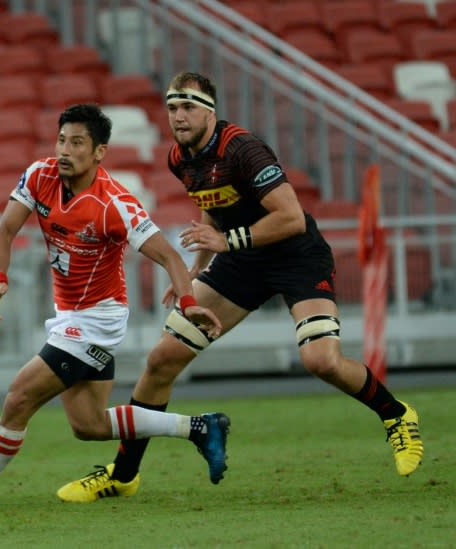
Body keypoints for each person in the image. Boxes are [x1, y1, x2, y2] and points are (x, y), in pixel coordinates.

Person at [56, 71, 424, 503]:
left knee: (320, 359)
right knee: (162, 359)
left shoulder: (244, 149)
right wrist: (197, 270)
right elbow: (211, 204)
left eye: (189, 107)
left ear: (211, 112)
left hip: (295, 256)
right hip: (241, 261)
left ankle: (397, 415)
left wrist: (226, 242)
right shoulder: (180, 157)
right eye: (173, 107)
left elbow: (290, 217)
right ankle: (123, 475)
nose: (179, 116)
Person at [0, 103, 227, 516]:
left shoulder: (115, 204)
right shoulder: (39, 175)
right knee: (89, 425)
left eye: (77, 142)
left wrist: (187, 304)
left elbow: (169, 257)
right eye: (61, 139)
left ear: (99, 152)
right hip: (68, 315)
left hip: (98, 320)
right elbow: (4, 231)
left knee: (19, 397)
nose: (64, 149)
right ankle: (200, 427)